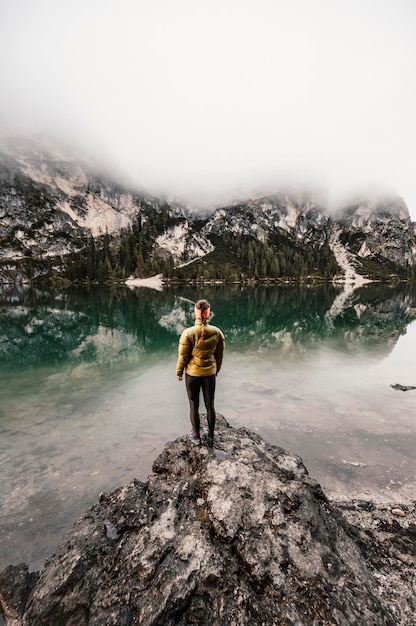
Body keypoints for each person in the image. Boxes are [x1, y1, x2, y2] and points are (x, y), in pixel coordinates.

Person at [176, 299, 225, 446]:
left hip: (192, 375)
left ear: (195, 314)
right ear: (208, 313)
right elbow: (219, 354)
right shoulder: (217, 332)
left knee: (193, 405)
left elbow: (183, 356)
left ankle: (196, 437)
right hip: (209, 374)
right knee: (210, 405)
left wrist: (179, 372)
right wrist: (217, 369)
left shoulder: (188, 333)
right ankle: (210, 436)